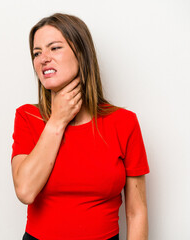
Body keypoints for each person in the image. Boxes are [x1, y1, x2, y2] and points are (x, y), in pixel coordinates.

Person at [10, 13, 150, 240]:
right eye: (37, 53)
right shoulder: (28, 116)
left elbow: (136, 212)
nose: (43, 58)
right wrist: (57, 120)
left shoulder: (124, 122)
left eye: (54, 48)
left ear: (81, 53)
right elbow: (25, 190)